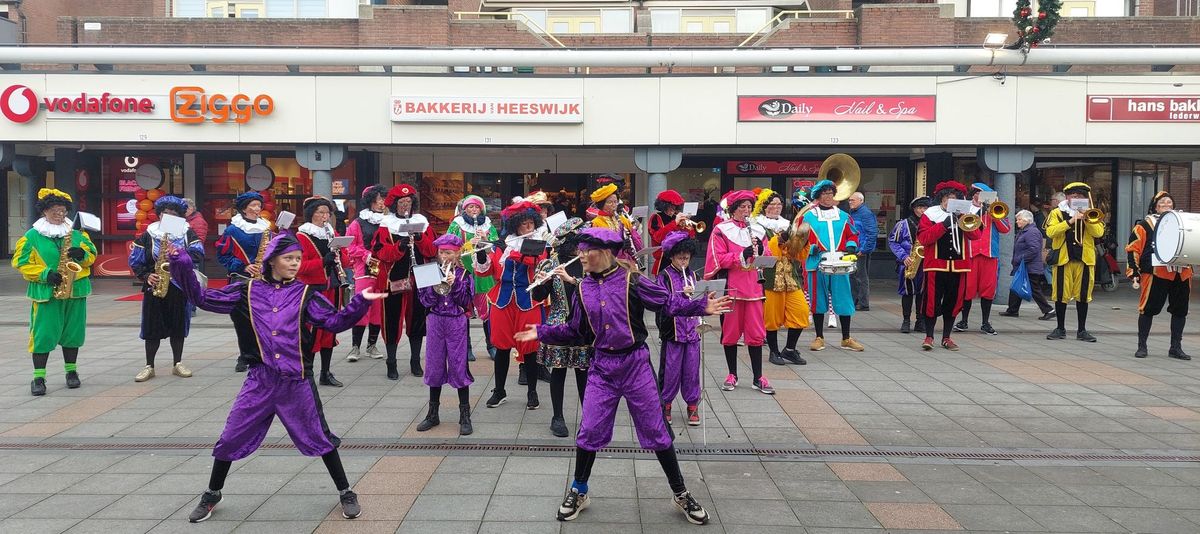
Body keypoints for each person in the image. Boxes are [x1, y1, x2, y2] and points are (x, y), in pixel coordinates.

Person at [513, 227, 732, 525]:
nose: (580, 256)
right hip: (602, 367)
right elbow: (576, 330)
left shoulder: (633, 280)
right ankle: (579, 490)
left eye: (585, 250)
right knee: (589, 430)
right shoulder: (581, 288)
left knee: (657, 430)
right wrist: (542, 332)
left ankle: (680, 492)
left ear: (603, 252)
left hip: (635, 364)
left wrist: (700, 306)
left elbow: (667, 302)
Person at [173, 232, 384, 524]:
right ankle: (212, 493)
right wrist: (180, 261)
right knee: (230, 437)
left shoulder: (305, 295)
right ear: (272, 260)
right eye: (289, 258)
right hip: (259, 380)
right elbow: (201, 297)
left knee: (320, 437)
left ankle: (346, 491)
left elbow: (334, 322)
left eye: (298, 258)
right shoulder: (245, 291)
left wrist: (361, 301)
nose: (295, 264)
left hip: (296, 381)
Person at [13, 188, 97, 396]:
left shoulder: (77, 233)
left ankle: (71, 372)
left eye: (62, 210)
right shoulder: (31, 236)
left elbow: (92, 255)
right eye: (54, 210)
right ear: (44, 212)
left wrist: (82, 254)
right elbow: (20, 262)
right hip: (47, 293)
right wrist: (44, 273)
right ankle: (39, 377)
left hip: (75, 290)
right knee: (43, 335)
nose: (59, 214)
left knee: (73, 334)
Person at [477, 200, 546, 409]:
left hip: (528, 300)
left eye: (530, 223)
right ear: (516, 225)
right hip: (502, 300)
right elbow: (485, 271)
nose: (528, 228)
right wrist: (481, 250)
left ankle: (532, 392)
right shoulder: (502, 244)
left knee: (531, 349)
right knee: (502, 347)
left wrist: (506, 248)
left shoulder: (539, 243)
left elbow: (533, 260)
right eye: (523, 224)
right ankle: (499, 390)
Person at [130, 195, 205, 382]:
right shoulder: (149, 234)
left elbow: (198, 254)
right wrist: (147, 276)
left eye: (173, 213)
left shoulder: (187, 233)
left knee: (178, 325)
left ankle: (177, 363)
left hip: (179, 285)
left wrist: (179, 254)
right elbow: (136, 260)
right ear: (159, 214)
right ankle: (149, 366)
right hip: (155, 284)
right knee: (151, 326)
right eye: (165, 213)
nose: (168, 216)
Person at [705, 189, 773, 394]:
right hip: (732, 288)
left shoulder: (759, 231)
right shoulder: (721, 230)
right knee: (731, 334)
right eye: (742, 207)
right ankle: (732, 373)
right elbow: (716, 259)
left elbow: (768, 257)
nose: (746, 211)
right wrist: (740, 255)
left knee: (756, 334)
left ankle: (758, 377)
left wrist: (761, 252)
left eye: (749, 207)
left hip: (754, 287)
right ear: (733, 209)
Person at [529, 217, 591, 437]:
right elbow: (538, 296)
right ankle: (557, 417)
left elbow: (595, 292)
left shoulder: (588, 265)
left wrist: (574, 280)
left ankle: (589, 418)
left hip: (583, 326)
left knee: (584, 373)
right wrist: (541, 282)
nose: (581, 250)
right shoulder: (550, 264)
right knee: (559, 371)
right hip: (558, 323)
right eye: (577, 245)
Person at [371, 184, 438, 378]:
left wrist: (419, 239)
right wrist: (399, 246)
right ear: (394, 204)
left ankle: (415, 361)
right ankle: (391, 362)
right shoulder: (386, 225)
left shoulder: (422, 222)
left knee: (417, 320)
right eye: (401, 202)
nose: (405, 205)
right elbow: (380, 253)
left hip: (421, 277)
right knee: (391, 319)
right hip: (394, 279)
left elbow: (432, 251)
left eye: (408, 202)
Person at [414, 234, 477, 435]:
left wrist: (455, 283)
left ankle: (464, 415)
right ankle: (433, 413)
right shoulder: (428, 271)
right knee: (434, 365)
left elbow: (466, 301)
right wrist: (435, 285)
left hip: (456, 321)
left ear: (457, 253)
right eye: (441, 253)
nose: (444, 257)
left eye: (449, 253)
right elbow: (425, 302)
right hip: (435, 320)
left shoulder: (465, 274)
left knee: (459, 365)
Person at [799, 181, 864, 352]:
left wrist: (851, 245)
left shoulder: (844, 216)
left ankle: (846, 338)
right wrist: (811, 248)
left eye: (830, 193)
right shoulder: (808, 217)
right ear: (818, 196)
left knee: (843, 299)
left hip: (839, 261)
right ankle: (819, 337)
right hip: (816, 262)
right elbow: (800, 240)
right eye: (824, 193)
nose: (828, 197)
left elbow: (853, 234)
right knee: (817, 300)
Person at [1126, 191, 1192, 360]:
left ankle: (1175, 347)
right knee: (1148, 310)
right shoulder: (1145, 225)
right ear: (1155, 206)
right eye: (1162, 202)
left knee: (1180, 311)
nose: (1166, 205)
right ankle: (1142, 346)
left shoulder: (1183, 223)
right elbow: (1133, 249)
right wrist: (1134, 270)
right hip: (1156, 272)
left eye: (1169, 202)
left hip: (1181, 273)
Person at [917, 181, 982, 351]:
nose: (949, 201)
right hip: (936, 266)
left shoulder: (964, 214)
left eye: (953, 198)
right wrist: (945, 224)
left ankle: (947, 337)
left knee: (953, 303)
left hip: (959, 267)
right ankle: (929, 336)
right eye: (947, 198)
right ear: (941, 199)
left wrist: (962, 218)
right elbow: (925, 239)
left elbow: (975, 236)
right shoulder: (931, 214)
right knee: (931, 301)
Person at [215, 191, 271, 373]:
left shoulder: (266, 227)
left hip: (264, 279)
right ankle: (244, 355)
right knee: (242, 320)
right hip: (242, 279)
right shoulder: (233, 229)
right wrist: (243, 266)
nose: (257, 209)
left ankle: (261, 354)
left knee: (264, 319)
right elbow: (223, 255)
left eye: (258, 205)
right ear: (244, 208)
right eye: (253, 205)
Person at [296, 196, 349, 387]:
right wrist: (322, 262)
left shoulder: (331, 232)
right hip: (313, 290)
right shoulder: (302, 236)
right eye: (320, 212)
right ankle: (307, 373)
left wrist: (342, 251)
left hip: (332, 288)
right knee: (311, 332)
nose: (324, 216)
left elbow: (346, 261)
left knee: (329, 331)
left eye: (327, 213)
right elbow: (299, 266)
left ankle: (325, 372)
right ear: (311, 214)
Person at [752, 188, 809, 366]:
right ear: (763, 207)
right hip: (769, 278)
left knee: (801, 312)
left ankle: (790, 350)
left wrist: (802, 241)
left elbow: (798, 256)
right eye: (772, 204)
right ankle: (774, 351)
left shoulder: (788, 224)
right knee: (771, 319)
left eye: (779, 204)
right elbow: (763, 253)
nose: (776, 207)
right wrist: (778, 240)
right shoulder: (755, 226)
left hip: (790, 278)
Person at [1044, 182, 1105, 342]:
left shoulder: (1091, 213)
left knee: (1083, 295)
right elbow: (1050, 232)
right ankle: (1060, 328)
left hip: (1085, 259)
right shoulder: (1057, 212)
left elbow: (1099, 232)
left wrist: (1087, 219)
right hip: (1064, 259)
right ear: (1067, 197)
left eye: (1080, 196)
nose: (1076, 198)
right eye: (1073, 196)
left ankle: (1082, 330)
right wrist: (1070, 221)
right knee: (1060, 295)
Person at [656, 231, 705, 426]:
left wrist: (700, 296)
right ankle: (665, 403)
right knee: (670, 371)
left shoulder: (694, 275)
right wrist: (681, 296)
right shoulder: (664, 276)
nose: (684, 260)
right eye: (679, 257)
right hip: (673, 332)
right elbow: (662, 302)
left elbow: (702, 301)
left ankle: (692, 404)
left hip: (692, 331)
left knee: (692, 370)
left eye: (687, 257)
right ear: (672, 256)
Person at [446, 195, 500, 362]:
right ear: (465, 209)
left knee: (487, 311)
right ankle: (467, 347)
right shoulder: (457, 224)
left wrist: (484, 240)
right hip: (464, 271)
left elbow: (497, 247)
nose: (474, 210)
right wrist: (465, 247)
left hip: (484, 273)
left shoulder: (488, 225)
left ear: (481, 209)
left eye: (476, 207)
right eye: (470, 207)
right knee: (465, 310)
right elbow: (448, 244)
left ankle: (491, 345)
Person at [955, 183, 1012, 335]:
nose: (979, 196)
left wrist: (992, 213)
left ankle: (985, 322)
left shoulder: (994, 209)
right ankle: (964, 321)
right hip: (970, 254)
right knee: (967, 289)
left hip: (989, 255)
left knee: (988, 290)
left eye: (983, 194)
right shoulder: (966, 208)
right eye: (978, 193)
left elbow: (1006, 229)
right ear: (973, 194)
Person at [344, 186, 387, 362]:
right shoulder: (357, 223)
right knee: (362, 307)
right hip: (364, 269)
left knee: (377, 309)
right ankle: (355, 347)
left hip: (383, 269)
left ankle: (371, 346)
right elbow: (349, 246)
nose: (382, 202)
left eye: (383, 199)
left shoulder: (387, 221)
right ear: (370, 201)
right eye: (378, 199)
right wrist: (365, 255)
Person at [1000, 210, 1055, 320]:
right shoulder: (1026, 231)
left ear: (1027, 220)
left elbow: (1033, 249)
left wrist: (1021, 259)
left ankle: (1049, 310)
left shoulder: (1031, 232)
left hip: (1028, 266)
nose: (1017, 222)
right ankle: (1012, 309)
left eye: (1019, 219)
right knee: (1016, 287)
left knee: (1033, 289)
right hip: (1025, 266)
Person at [890, 196, 930, 334]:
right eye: (920, 208)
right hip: (908, 262)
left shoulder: (932, 224)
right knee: (907, 293)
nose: (923, 211)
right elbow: (893, 242)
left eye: (925, 208)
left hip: (926, 262)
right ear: (914, 209)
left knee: (923, 293)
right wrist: (903, 256)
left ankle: (920, 321)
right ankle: (906, 320)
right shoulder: (903, 224)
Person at [588, 183, 643, 261]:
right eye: (610, 202)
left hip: (626, 261)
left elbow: (637, 241)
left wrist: (632, 240)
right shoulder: (596, 223)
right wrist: (618, 246)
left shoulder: (623, 220)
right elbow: (596, 247)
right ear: (601, 205)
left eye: (615, 202)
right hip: (607, 263)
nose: (614, 205)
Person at [648, 189, 694, 276]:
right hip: (663, 260)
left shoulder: (677, 218)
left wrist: (688, 226)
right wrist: (675, 223)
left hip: (679, 259)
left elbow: (690, 236)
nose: (673, 209)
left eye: (675, 206)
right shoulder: (656, 217)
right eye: (671, 206)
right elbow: (658, 237)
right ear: (664, 206)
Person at [846, 191, 877, 311]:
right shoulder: (854, 213)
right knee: (853, 277)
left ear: (861, 201)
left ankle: (863, 303)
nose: (850, 202)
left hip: (861, 251)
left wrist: (864, 250)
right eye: (849, 200)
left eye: (852, 200)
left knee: (861, 277)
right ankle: (855, 301)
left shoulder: (865, 213)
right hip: (855, 249)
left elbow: (872, 233)